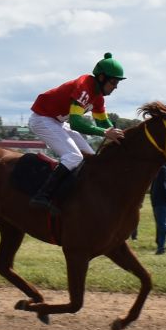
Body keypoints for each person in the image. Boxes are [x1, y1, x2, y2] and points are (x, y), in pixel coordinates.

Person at [26, 53, 127, 213]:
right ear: (101, 78)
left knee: (90, 155)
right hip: (42, 119)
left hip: (57, 122)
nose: (115, 87)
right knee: (74, 156)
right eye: (113, 82)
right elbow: (76, 123)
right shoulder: (84, 86)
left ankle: (76, 195)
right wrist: (106, 133)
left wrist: (120, 136)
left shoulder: (98, 97)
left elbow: (102, 122)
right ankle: (42, 195)